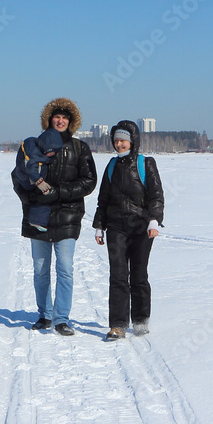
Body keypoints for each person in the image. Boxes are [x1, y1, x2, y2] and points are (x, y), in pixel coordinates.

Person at [12, 97, 96, 335]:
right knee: (40, 269)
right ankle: (44, 315)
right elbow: (17, 177)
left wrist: (59, 193)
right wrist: (29, 198)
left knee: (65, 268)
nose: (60, 121)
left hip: (68, 216)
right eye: (56, 117)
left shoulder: (80, 148)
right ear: (49, 120)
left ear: (71, 122)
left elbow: (89, 182)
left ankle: (61, 318)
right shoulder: (34, 145)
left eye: (64, 117)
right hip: (38, 216)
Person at [92, 120, 164, 341]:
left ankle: (141, 320)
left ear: (132, 141)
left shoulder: (146, 164)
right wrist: (99, 225)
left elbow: (156, 196)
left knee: (139, 276)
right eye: (116, 140)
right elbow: (103, 199)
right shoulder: (111, 166)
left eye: (123, 140)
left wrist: (154, 220)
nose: (119, 144)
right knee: (118, 276)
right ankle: (118, 324)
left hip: (141, 228)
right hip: (116, 228)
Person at [10, 127, 63, 232]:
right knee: (43, 195)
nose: (52, 155)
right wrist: (39, 181)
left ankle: (37, 220)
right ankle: (38, 221)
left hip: (25, 178)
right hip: (28, 180)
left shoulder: (36, 146)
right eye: (51, 152)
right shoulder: (34, 153)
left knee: (41, 196)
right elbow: (31, 168)